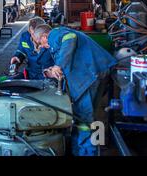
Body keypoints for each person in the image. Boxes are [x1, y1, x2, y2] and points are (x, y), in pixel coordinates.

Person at [33, 24, 117, 156]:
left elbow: (70, 38)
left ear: (44, 36)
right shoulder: (56, 41)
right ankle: (82, 149)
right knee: (84, 117)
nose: (42, 46)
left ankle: (88, 152)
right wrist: (51, 71)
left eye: (40, 42)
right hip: (92, 73)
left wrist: (58, 65)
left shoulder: (54, 34)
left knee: (84, 117)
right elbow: (66, 60)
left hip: (91, 74)